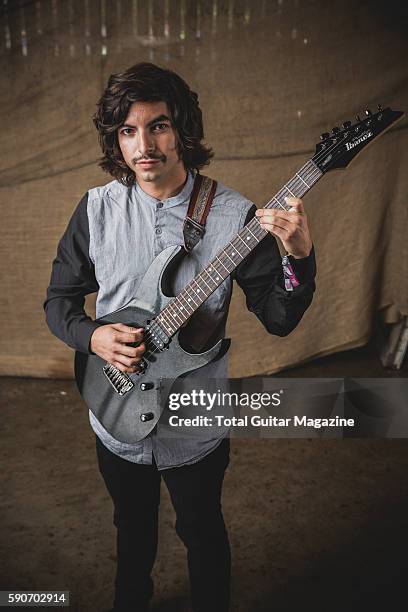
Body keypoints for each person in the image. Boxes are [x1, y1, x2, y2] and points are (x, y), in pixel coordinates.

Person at [44, 62, 316, 612]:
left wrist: (299, 257)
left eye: (159, 126)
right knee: (132, 534)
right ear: (115, 139)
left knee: (204, 533)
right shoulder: (95, 211)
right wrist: (95, 339)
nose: (144, 145)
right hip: (114, 411)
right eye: (128, 130)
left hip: (197, 417)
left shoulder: (237, 215)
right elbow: (58, 304)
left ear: (184, 130)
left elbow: (280, 319)